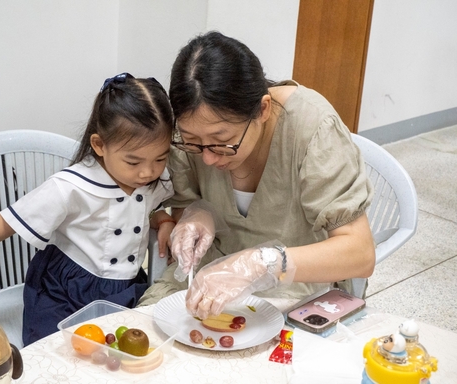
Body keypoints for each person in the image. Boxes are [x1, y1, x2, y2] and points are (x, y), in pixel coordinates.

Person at [138, 31, 376, 319]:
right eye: (193, 143)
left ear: (262, 109)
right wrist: (196, 214)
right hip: (209, 279)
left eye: (222, 141)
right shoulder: (190, 130)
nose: (208, 157)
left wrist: (263, 263)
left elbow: (359, 253)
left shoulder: (312, 129)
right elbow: (184, 203)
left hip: (300, 290)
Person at [0, 72, 176, 345]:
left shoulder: (154, 180)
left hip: (123, 287)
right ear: (100, 146)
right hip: (64, 288)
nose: (147, 172)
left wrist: (161, 218)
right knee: (56, 351)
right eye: (133, 162)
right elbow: (10, 221)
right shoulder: (71, 186)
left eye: (160, 158)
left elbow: (140, 211)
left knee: (117, 351)